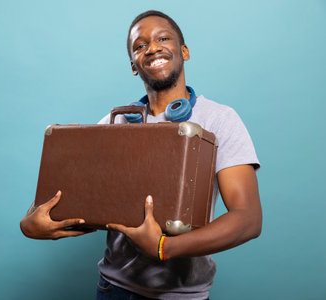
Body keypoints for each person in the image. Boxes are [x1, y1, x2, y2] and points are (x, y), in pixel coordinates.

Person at [20, 10, 262, 300]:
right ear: (134, 65)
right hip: (112, 289)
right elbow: (72, 197)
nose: (152, 48)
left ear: (184, 51)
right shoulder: (114, 122)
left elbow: (247, 219)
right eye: (140, 45)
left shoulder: (220, 119)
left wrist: (163, 247)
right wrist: (30, 224)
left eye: (163, 38)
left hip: (180, 295)